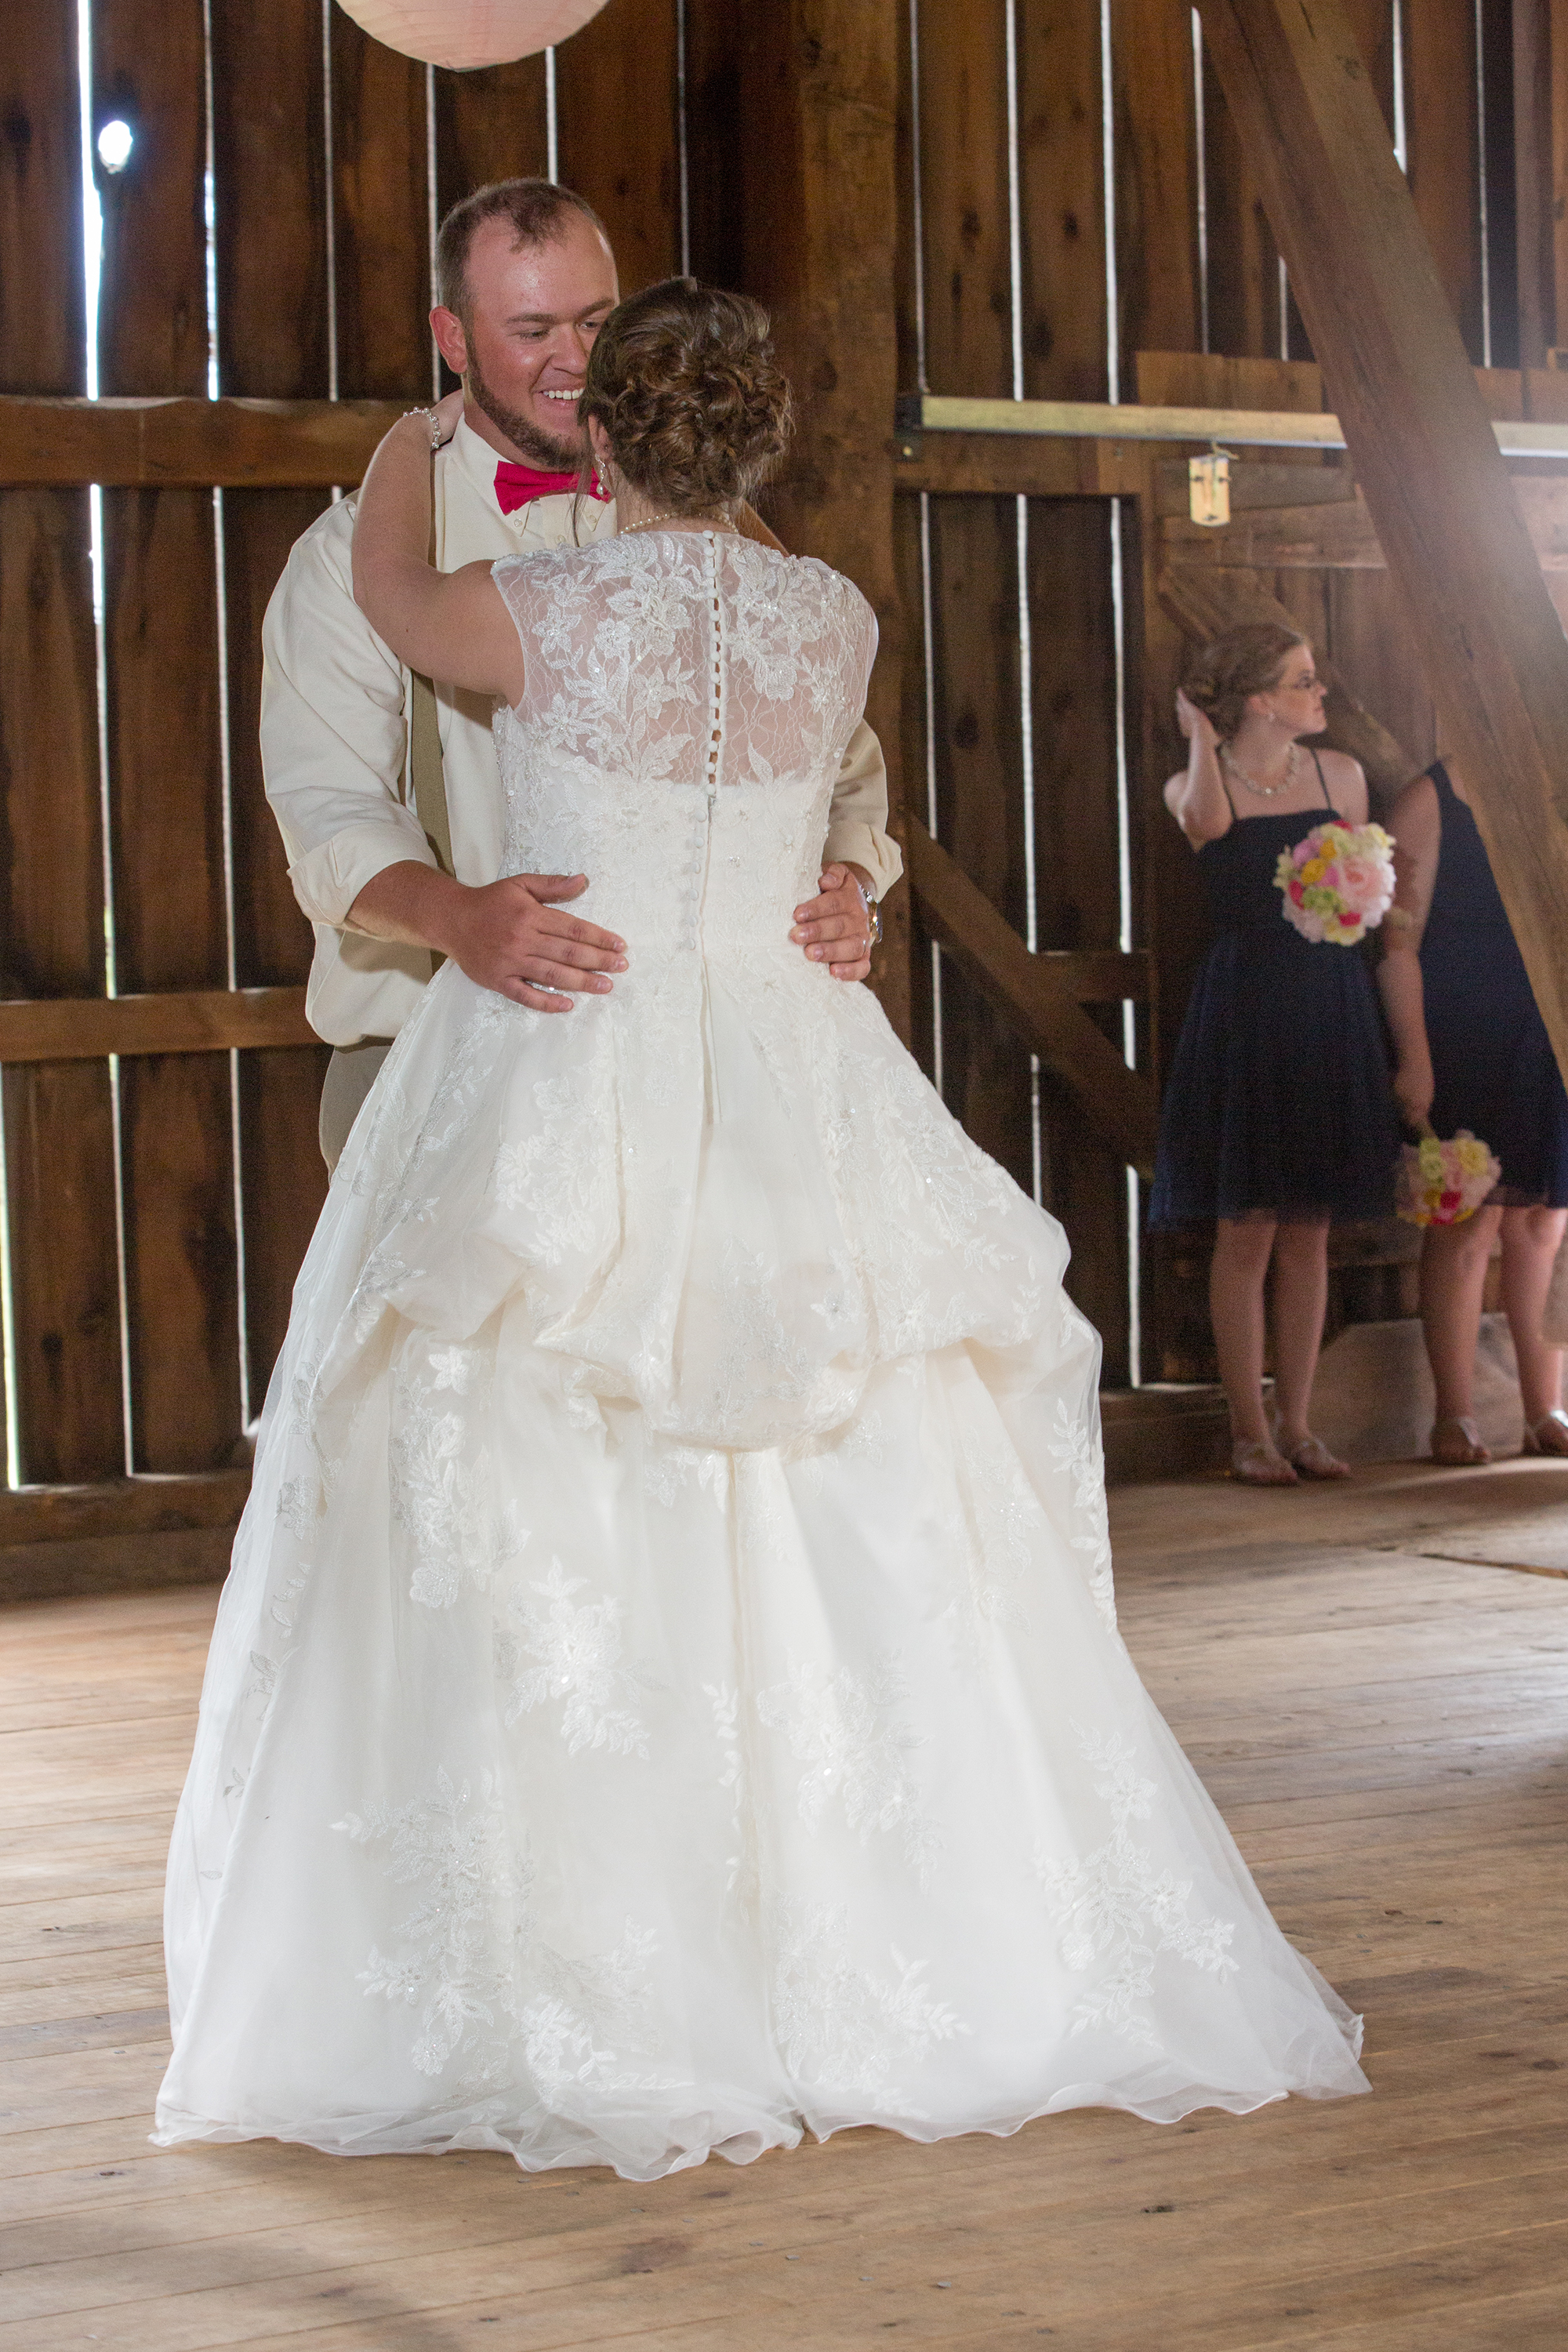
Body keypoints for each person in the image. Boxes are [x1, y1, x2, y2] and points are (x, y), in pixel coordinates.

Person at [155, 284, 1367, 2179]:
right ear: (764, 440)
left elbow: (391, 593)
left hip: (578, 1048)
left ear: (601, 434)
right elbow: (805, 769)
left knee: (547, 1461)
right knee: (845, 1473)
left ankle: (605, 1952)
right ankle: (882, 1938)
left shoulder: (536, 609)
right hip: (791, 1060)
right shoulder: (832, 617)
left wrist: (409, 434)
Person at [260, 178, 899, 1167]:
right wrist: (457, 919)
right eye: (532, 331)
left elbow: (835, 760)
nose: (576, 359)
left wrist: (851, 884)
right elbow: (328, 813)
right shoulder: (349, 556)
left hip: (706, 1080)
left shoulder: (722, 542)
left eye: (596, 321)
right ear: (453, 337)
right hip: (433, 1054)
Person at [1150, 626, 1399, 1486]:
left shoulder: (1342, 776)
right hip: (1247, 1013)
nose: (1319, 692)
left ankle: (1298, 1424)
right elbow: (1205, 823)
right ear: (1259, 698)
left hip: (1329, 1004)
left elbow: (1366, 888)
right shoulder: (1196, 785)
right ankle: (1247, 1433)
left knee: (1309, 1231)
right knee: (1246, 1229)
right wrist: (1198, 730)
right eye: (1301, 680)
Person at [1379, 758, 1568, 1464]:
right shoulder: (1429, 802)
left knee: (1544, 1218)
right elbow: (1398, 943)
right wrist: (1414, 1055)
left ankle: (1544, 1409)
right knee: (1466, 1219)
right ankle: (1454, 1415)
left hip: (1549, 1027)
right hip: (1465, 1031)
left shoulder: (1549, 778)